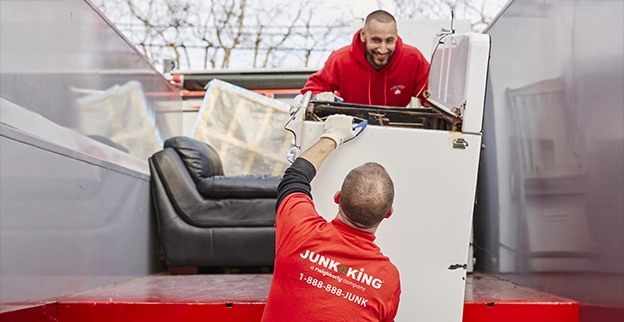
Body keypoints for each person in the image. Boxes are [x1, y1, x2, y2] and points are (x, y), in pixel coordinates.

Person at [261, 115, 400, 322]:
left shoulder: (300, 229)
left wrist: (332, 136)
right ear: (388, 213)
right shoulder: (388, 278)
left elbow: (295, 178)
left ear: (337, 198)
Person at [301, 9, 430, 108]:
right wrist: (325, 101)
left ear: (396, 36)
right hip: (352, 133)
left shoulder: (413, 58)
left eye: (389, 40)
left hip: (396, 132)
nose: (383, 49)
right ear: (363, 35)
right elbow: (310, 92)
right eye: (376, 40)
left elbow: (432, 96)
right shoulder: (340, 60)